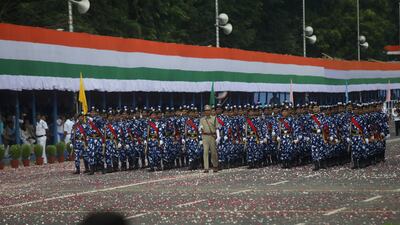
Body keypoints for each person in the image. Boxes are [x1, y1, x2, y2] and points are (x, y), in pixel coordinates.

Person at [200, 105, 220, 173]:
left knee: (213, 152)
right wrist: (201, 130)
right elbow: (200, 128)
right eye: (206, 110)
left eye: (208, 110)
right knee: (205, 152)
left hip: (212, 136)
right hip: (205, 136)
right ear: (204, 112)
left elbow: (217, 128)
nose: (207, 112)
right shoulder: (202, 119)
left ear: (210, 111)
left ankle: (215, 165)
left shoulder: (214, 118)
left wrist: (218, 136)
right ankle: (206, 168)